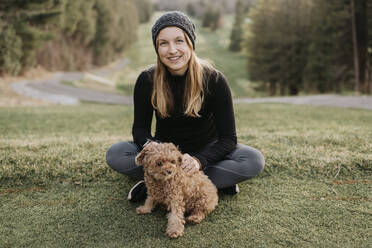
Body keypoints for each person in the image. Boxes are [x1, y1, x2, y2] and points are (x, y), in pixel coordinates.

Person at [106, 11, 264, 202]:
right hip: (165, 157)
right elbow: (140, 129)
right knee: (116, 153)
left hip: (207, 151)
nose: (172, 50)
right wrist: (151, 146)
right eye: (163, 43)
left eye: (179, 41)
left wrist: (199, 161)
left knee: (252, 160)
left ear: (190, 43)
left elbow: (228, 138)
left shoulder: (214, 79)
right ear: (157, 48)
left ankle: (161, 185)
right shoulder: (147, 80)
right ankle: (206, 182)